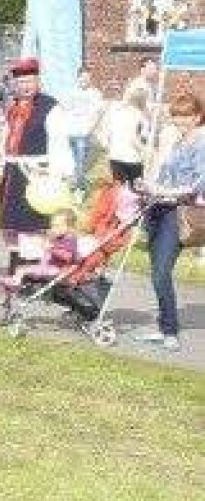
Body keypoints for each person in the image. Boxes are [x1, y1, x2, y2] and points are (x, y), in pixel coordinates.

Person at [133, 91, 205, 352]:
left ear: (197, 117)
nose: (180, 122)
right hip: (159, 209)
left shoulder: (201, 143)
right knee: (156, 273)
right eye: (176, 117)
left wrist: (165, 192)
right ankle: (164, 326)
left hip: (179, 213)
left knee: (161, 273)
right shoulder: (178, 142)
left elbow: (197, 185)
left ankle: (171, 330)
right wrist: (149, 186)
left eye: (185, 117)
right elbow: (166, 176)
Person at [0, 57, 73, 274]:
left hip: (36, 175)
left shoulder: (50, 107)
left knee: (33, 225)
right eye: (21, 82)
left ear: (38, 81)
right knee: (12, 224)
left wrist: (57, 176)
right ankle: (15, 269)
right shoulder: (12, 108)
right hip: (12, 173)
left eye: (30, 81)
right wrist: (0, 167)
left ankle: (34, 274)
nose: (25, 86)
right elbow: (5, 140)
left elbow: (59, 143)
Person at [61, 68, 104, 193]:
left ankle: (78, 188)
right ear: (78, 77)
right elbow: (63, 108)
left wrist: (93, 127)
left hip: (84, 132)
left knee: (80, 160)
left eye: (88, 77)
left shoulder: (94, 93)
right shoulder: (70, 92)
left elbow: (100, 112)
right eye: (83, 77)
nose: (85, 80)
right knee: (74, 160)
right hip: (71, 131)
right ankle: (81, 184)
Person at [100, 85, 148, 184]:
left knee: (119, 191)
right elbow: (140, 139)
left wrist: (108, 148)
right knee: (135, 192)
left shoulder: (116, 113)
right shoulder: (142, 117)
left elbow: (106, 134)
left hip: (115, 156)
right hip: (133, 158)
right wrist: (145, 153)